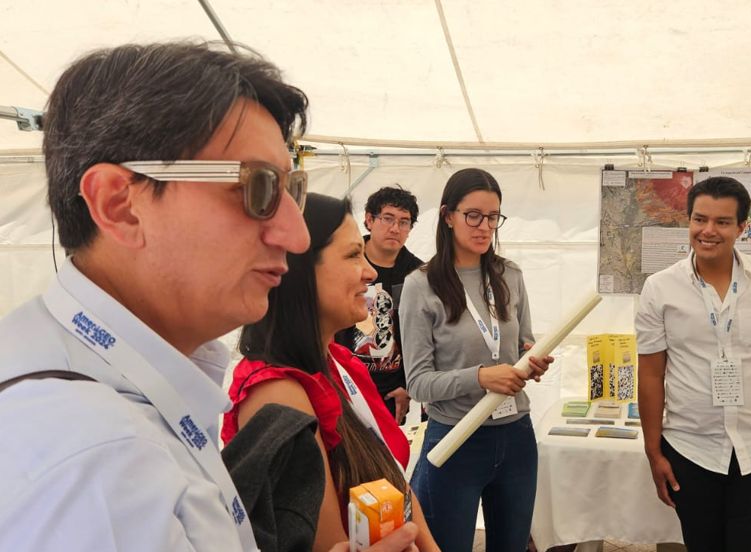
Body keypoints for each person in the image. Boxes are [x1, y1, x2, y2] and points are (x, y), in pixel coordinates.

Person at [0, 42, 417, 552]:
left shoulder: (112, 394)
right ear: (121, 205)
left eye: (294, 190)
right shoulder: (93, 463)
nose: (296, 234)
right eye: (257, 187)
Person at [225, 193, 439, 552]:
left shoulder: (339, 363)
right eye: (353, 254)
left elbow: (397, 482)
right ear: (298, 270)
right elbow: (328, 543)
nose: (370, 272)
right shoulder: (278, 393)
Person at [635, 176, 751, 552]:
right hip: (691, 451)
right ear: (687, 221)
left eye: (721, 222)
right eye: (699, 219)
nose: (708, 231)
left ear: (741, 227)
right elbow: (651, 374)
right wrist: (654, 452)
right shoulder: (660, 287)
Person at [401, 168, 553, 552]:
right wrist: (482, 377)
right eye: (474, 215)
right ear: (448, 215)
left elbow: (522, 344)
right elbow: (419, 382)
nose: (484, 227)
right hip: (455, 438)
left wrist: (531, 361)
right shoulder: (422, 285)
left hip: (516, 434)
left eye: (493, 217)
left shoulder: (509, 275)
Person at [336, 185, 424, 424]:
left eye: (404, 222)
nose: (395, 228)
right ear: (369, 219)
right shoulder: (344, 263)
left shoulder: (419, 274)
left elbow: (425, 336)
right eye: (388, 218)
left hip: (393, 393)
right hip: (344, 385)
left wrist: (407, 385)